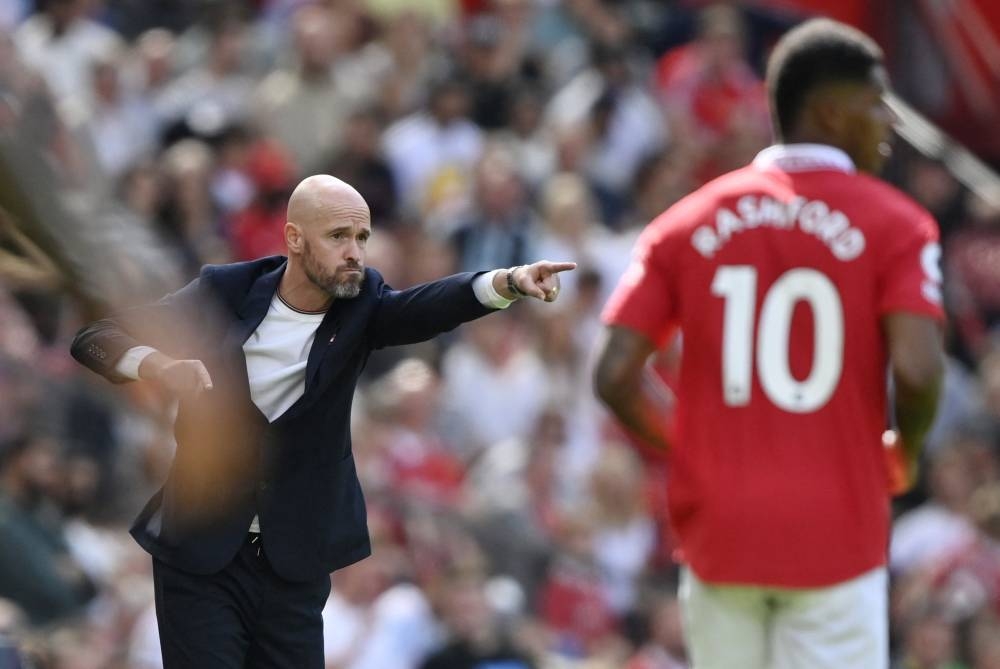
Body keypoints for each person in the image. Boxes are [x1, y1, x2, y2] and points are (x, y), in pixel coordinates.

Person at [71, 174, 574, 668]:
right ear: (294, 238)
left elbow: (425, 308)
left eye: (362, 237)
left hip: (293, 563)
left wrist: (506, 282)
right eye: (338, 236)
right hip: (201, 553)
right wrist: (159, 365)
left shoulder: (363, 305)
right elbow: (97, 336)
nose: (355, 251)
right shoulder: (226, 290)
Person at [593, 18, 945, 669]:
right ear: (830, 112)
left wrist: (691, 441)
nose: (889, 122)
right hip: (836, 529)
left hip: (720, 530)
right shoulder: (898, 223)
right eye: (875, 102)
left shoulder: (684, 222)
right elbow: (920, 370)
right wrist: (908, 447)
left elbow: (615, 373)